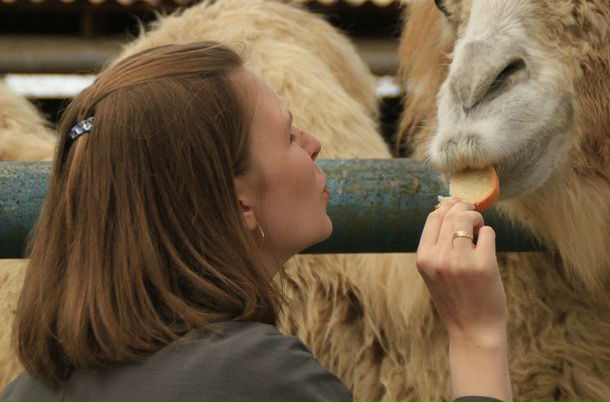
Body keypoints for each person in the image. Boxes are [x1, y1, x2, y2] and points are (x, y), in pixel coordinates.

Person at [1, 41, 513, 402]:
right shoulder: (257, 377)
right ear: (240, 201)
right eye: (289, 136)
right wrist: (476, 334)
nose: (315, 144)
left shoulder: (26, 390)